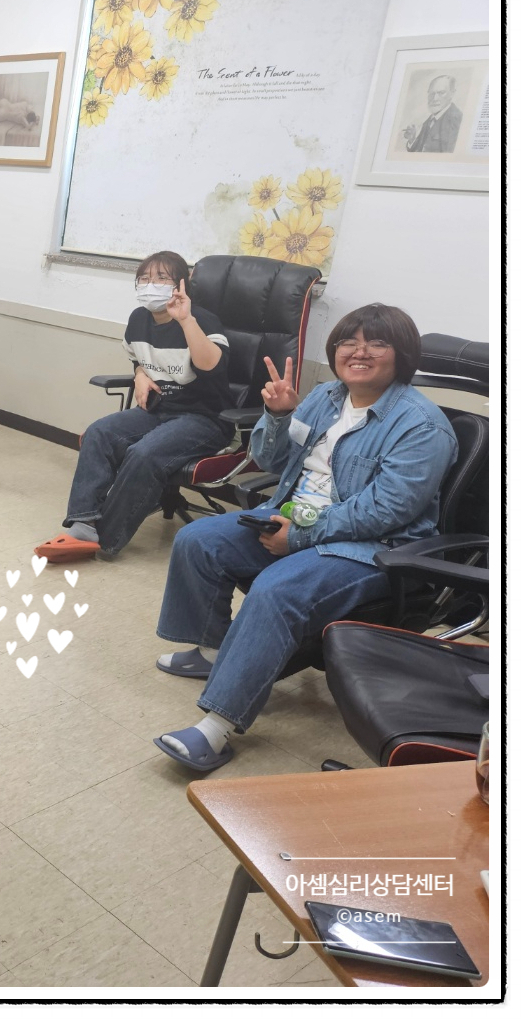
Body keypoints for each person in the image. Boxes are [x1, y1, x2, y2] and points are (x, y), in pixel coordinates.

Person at [152, 304, 457, 772]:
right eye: (348, 342)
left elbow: (385, 510)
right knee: (199, 540)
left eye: (376, 343)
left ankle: (216, 727)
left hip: (371, 548)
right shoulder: (324, 397)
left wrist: (300, 536)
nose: (359, 352)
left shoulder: (422, 426)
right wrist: (278, 415)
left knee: (278, 590)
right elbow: (271, 460)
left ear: (402, 355)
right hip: (292, 515)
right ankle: (216, 653)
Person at [35, 251, 232, 563]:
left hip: (204, 418)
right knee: (99, 433)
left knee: (143, 453)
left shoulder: (202, 320)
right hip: (158, 409)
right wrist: (140, 374)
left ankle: (105, 540)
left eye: (161, 278)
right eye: (144, 278)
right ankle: (83, 525)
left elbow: (210, 366)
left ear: (180, 284)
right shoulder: (138, 319)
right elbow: (138, 358)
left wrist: (186, 320)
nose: (151, 285)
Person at [403, 74, 463, 153]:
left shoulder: (456, 120)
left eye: (441, 93)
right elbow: (418, 151)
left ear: (452, 93)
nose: (434, 98)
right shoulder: (430, 120)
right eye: (431, 93)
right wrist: (412, 139)